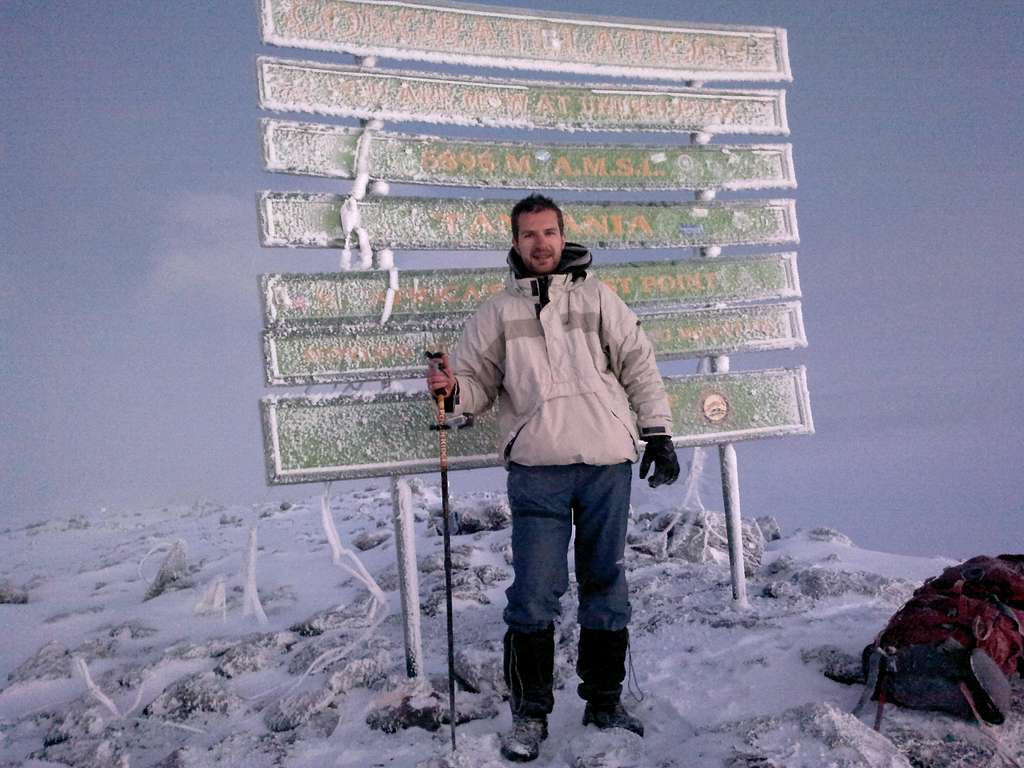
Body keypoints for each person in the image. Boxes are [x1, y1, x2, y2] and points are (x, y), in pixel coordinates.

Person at [426, 194, 679, 762]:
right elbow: (473, 385)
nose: (540, 244)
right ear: (514, 244)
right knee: (535, 594)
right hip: (537, 469)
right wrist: (450, 390)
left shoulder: (597, 297)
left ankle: (605, 702)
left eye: (548, 233)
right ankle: (530, 715)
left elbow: (639, 362)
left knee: (605, 584)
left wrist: (657, 432)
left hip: (605, 465)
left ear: (563, 236)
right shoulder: (496, 313)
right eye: (528, 235)